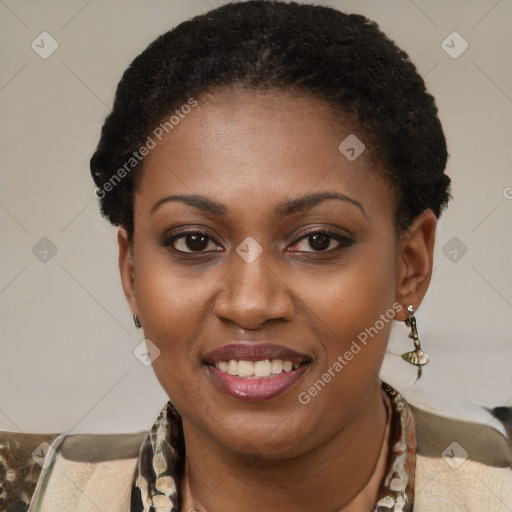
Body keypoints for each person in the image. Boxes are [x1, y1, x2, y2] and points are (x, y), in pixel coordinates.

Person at [1, 1, 511, 511]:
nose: (249, 304)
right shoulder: (27, 493)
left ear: (410, 266)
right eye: (194, 241)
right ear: (131, 272)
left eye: (317, 241)